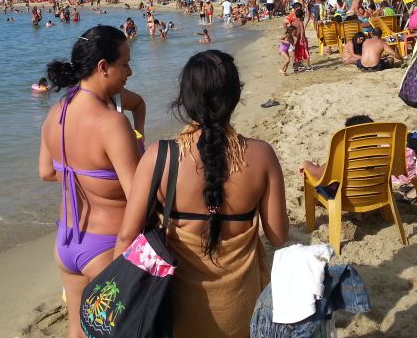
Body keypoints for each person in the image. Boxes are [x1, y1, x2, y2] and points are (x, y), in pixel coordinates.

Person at [114, 50, 289, 337]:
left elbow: (126, 236)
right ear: (235, 96)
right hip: (241, 310)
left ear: (185, 98)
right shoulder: (262, 156)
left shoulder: (161, 156)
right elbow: (279, 236)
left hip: (176, 313)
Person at [39, 25, 141, 338]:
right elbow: (138, 194)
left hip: (68, 240)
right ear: (103, 67)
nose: (129, 71)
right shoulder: (112, 123)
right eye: (124, 63)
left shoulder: (57, 111)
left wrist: (88, 177)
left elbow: (45, 172)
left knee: (77, 330)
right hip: (107, 244)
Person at [298, 115, 374, 179]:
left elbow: (317, 174)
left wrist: (306, 164)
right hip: (377, 194)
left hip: (346, 196)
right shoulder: (383, 155)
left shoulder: (344, 157)